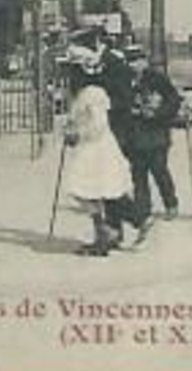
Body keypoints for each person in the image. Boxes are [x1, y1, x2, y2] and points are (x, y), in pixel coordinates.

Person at [62, 66, 145, 257]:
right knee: (95, 192)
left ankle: (113, 230)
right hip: (91, 149)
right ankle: (106, 233)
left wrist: (78, 134)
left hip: (98, 150)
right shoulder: (84, 94)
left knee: (91, 190)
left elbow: (98, 124)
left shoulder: (92, 94)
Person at [126, 46, 183, 220]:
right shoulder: (124, 80)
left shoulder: (157, 78)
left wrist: (157, 113)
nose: (134, 65)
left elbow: (174, 100)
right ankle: (143, 209)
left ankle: (171, 204)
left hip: (156, 134)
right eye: (130, 61)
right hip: (134, 135)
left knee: (160, 171)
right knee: (138, 174)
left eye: (137, 60)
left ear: (144, 61)